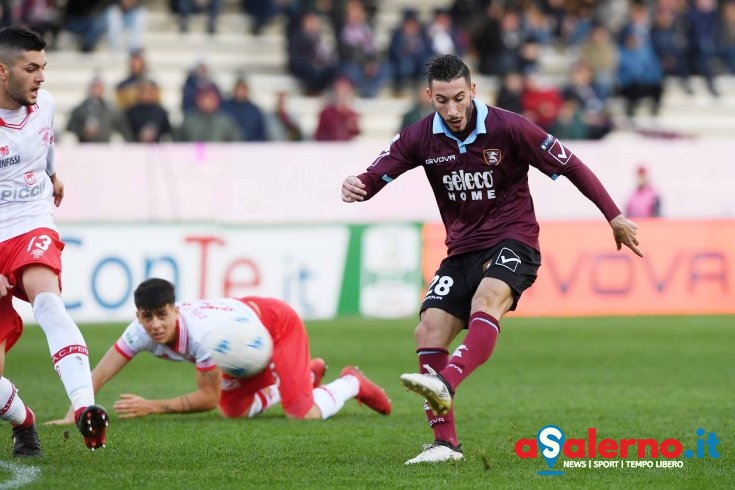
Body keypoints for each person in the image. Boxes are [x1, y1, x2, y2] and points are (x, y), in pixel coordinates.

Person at [340, 54, 643, 464]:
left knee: (487, 299)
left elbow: (572, 165)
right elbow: (376, 175)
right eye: (442, 100)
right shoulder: (419, 137)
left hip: (514, 239)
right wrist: (357, 184)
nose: (452, 110)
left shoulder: (510, 127)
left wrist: (615, 216)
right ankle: (446, 446)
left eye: (459, 99)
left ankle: (446, 382)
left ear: (473, 92)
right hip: (461, 249)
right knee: (428, 330)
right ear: (429, 96)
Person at [50, 278, 391, 423]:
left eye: (162, 315)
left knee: (302, 414)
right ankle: (305, 374)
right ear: (137, 316)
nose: (154, 324)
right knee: (234, 412)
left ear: (175, 309)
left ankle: (351, 382)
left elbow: (206, 399)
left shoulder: (201, 336)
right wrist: (76, 411)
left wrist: (153, 406)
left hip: (276, 325)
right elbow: (100, 373)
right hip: (241, 338)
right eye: (146, 317)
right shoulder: (138, 333)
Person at [0, 26, 108, 456]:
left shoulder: (45, 103)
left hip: (30, 224)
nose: (41, 77)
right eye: (31, 68)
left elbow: (44, 145)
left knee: (47, 300)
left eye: (44, 67)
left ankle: (85, 406)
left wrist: (51, 174)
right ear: (1, 72)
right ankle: (23, 420)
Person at [66, 75, 130, 143]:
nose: (96, 90)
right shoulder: (79, 110)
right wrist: (83, 131)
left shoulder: (111, 110)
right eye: (94, 87)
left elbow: (123, 129)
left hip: (106, 148)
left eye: (99, 87)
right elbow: (70, 128)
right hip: (84, 147)